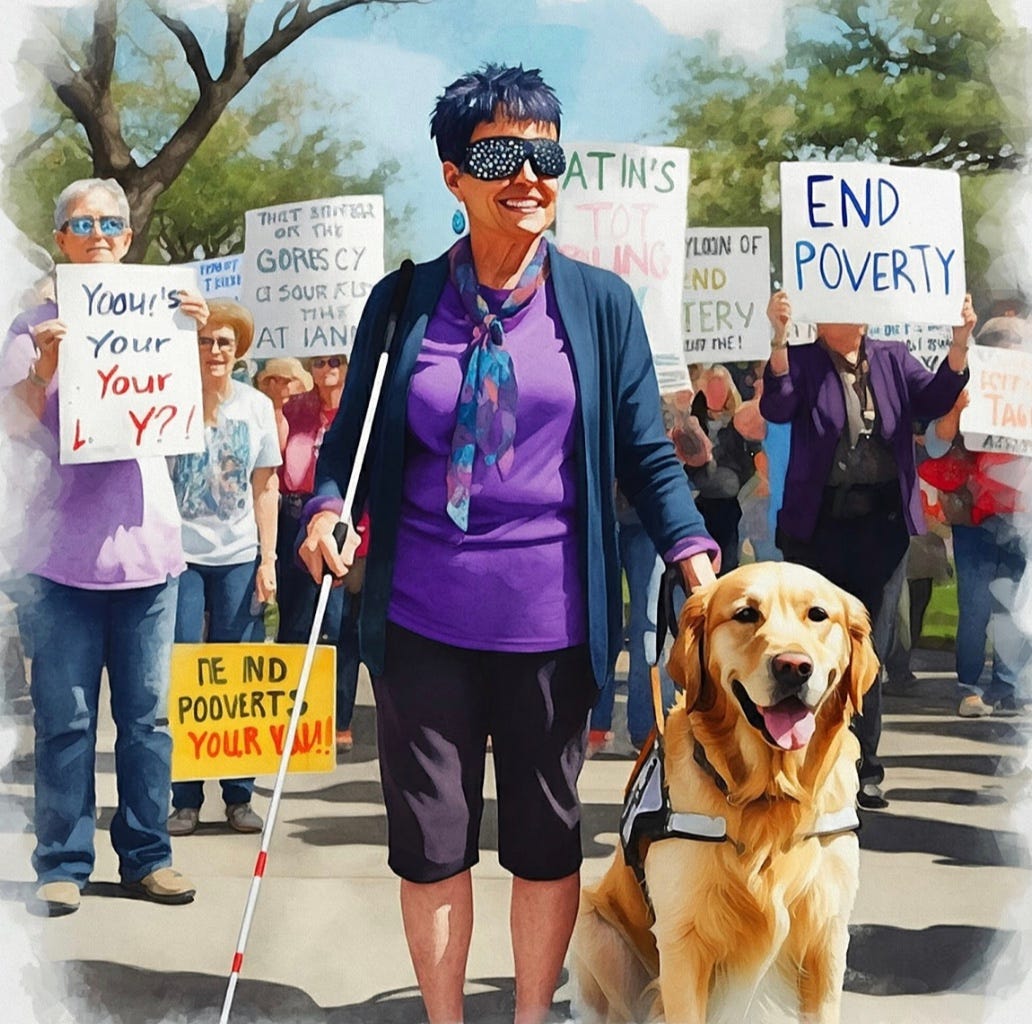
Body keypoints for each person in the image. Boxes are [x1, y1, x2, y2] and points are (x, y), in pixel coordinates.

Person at [299, 64, 718, 1024]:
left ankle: (533, 1015)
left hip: (553, 625)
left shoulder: (601, 303)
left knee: (544, 839)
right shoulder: (400, 303)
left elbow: (649, 455)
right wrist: (329, 509)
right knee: (432, 842)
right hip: (420, 625)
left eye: (544, 154)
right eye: (499, 153)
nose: (527, 174)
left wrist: (692, 552)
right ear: (453, 174)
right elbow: (352, 442)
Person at [0, 177, 205, 914]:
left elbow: (199, 421)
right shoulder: (30, 329)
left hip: (149, 558)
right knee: (67, 722)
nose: (98, 235)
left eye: (110, 224)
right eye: (81, 224)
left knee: (147, 722)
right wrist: (45, 372)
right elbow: (14, 429)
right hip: (57, 563)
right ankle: (62, 862)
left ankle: (149, 857)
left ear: (128, 236)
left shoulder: (168, 315)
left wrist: (197, 345)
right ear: (60, 239)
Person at [760, 290, 974, 809]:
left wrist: (960, 341)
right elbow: (778, 402)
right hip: (818, 530)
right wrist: (779, 337)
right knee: (812, 650)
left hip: (881, 531)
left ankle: (863, 768)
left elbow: (937, 396)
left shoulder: (893, 358)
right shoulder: (806, 362)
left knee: (866, 648)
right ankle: (805, 765)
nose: (851, 310)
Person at [165, 299, 281, 836]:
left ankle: (239, 795)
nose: (214, 350)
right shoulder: (167, 398)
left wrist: (268, 559)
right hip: (180, 556)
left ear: (239, 353)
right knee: (187, 675)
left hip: (238, 558)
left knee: (237, 680)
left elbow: (266, 488)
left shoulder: (256, 408)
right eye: (205, 340)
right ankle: (184, 798)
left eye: (224, 343)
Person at [918, 316, 1032, 717]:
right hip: (976, 519)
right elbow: (933, 445)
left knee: (1015, 609)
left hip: (1022, 517)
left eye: (1017, 346)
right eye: (1003, 346)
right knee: (977, 607)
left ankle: (1005, 684)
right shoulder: (965, 390)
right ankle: (968, 686)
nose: (1011, 353)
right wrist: (958, 412)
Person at [277, 353, 360, 753]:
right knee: (293, 622)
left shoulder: (359, 409)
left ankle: (339, 719)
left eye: (335, 362)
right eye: (317, 362)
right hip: (294, 513)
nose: (326, 369)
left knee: (339, 624)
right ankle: (290, 715)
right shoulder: (295, 409)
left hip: (340, 517)